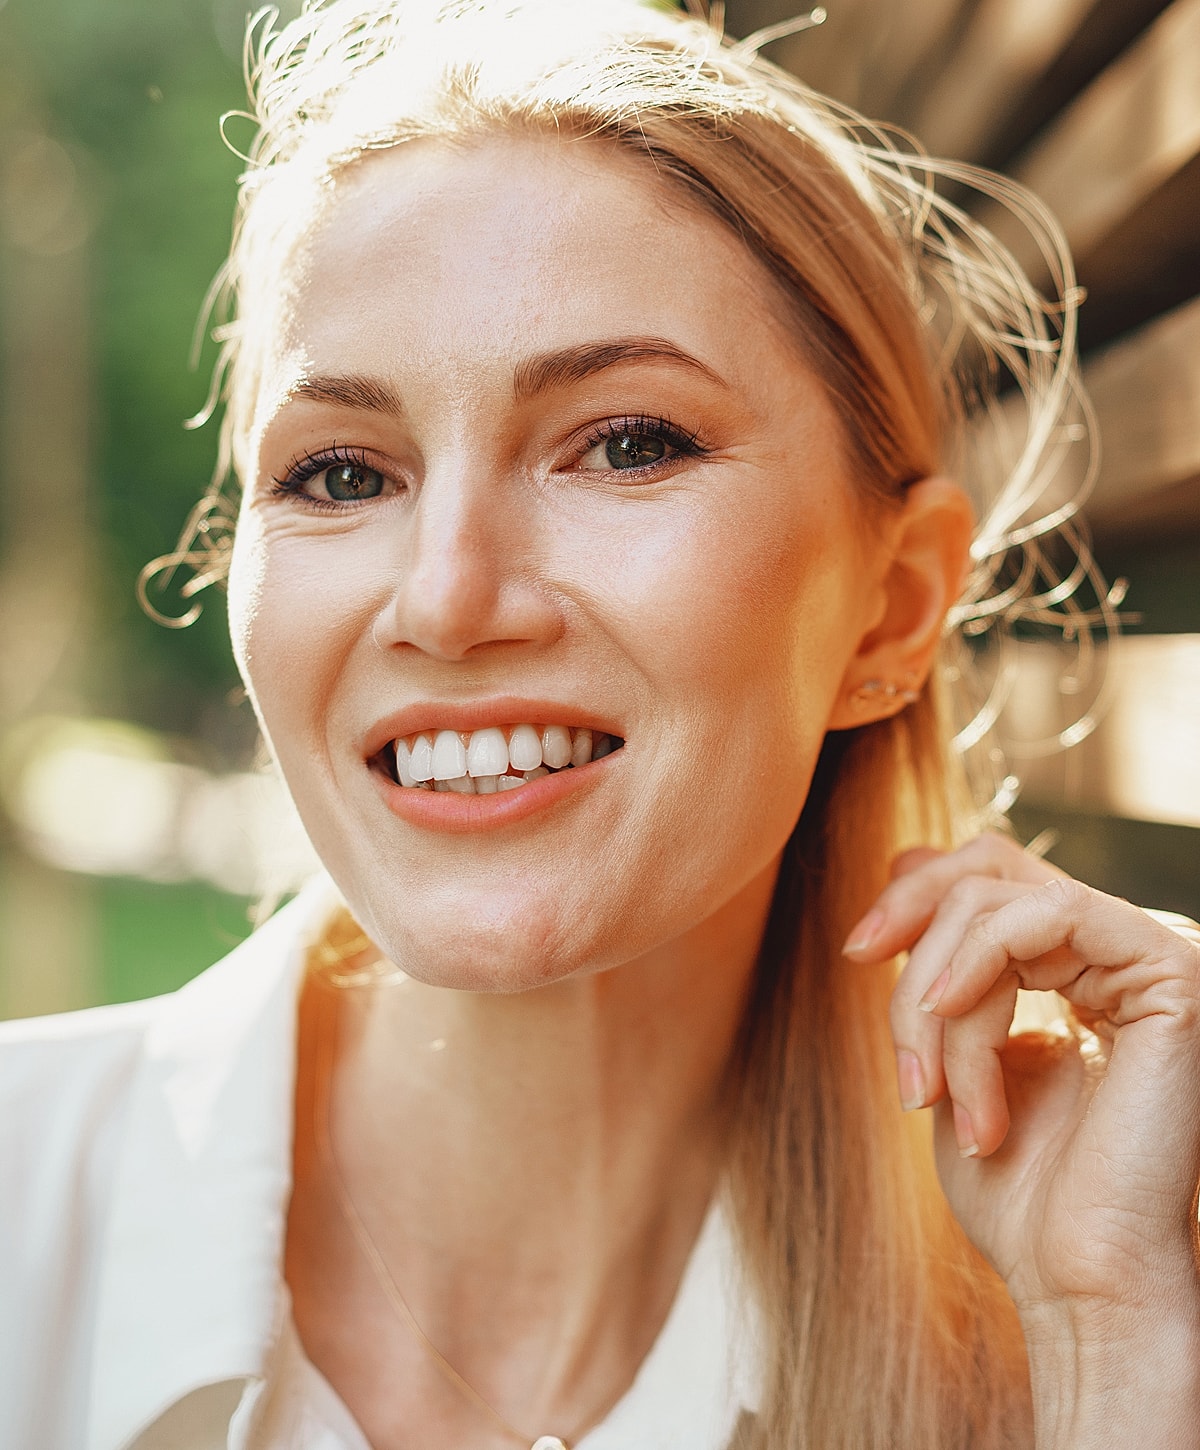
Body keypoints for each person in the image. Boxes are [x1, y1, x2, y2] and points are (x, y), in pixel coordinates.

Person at [1, 2, 1198, 1447]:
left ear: (888, 612)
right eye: (338, 473)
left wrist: (1106, 1342)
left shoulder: (1083, 1322)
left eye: (628, 442)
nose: (447, 598)